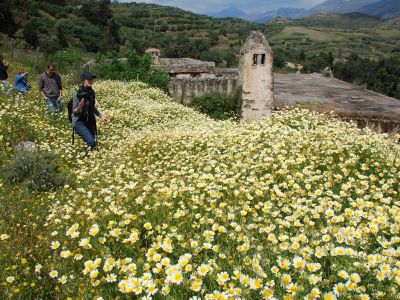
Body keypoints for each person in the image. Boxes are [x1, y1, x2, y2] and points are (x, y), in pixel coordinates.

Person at [71, 71, 109, 149]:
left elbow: (92, 107)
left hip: (89, 120)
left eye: (91, 79)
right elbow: (74, 113)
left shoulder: (92, 92)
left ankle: (88, 157)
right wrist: (79, 107)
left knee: (93, 143)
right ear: (83, 81)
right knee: (91, 141)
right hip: (79, 121)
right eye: (88, 79)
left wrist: (101, 116)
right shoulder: (77, 95)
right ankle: (81, 156)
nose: (91, 81)